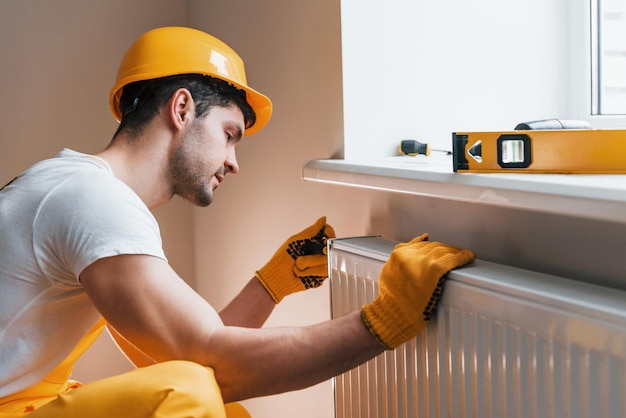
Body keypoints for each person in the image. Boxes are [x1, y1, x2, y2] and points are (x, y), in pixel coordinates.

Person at [0, 26, 475, 418]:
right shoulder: (92, 200)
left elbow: (186, 350)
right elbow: (211, 362)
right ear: (182, 109)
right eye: (229, 135)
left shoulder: (84, 194)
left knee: (220, 405)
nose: (233, 162)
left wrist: (272, 283)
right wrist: (383, 322)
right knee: (185, 393)